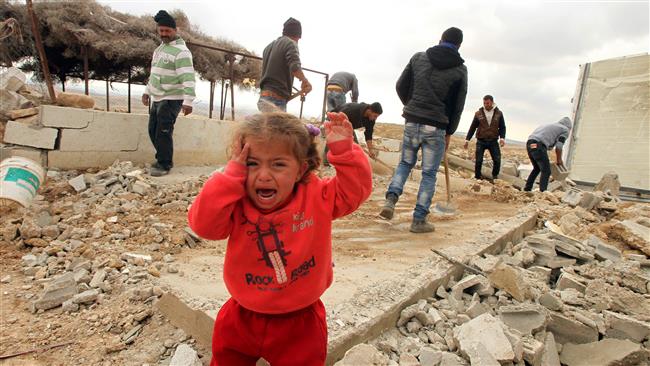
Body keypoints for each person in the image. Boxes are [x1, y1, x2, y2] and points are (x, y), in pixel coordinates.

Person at [188, 112, 372, 365]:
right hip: (240, 317)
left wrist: (344, 152)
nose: (263, 175)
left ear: (301, 169)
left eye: (278, 164)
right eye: (252, 163)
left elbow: (355, 191)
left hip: (301, 323)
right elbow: (204, 226)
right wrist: (230, 177)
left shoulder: (318, 196)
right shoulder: (236, 200)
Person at [379, 27, 468, 233]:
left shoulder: (418, 58)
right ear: (459, 46)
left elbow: (401, 85)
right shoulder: (460, 70)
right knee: (428, 174)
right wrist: (449, 132)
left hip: (412, 121)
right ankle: (419, 220)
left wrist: (412, 106)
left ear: (440, 39)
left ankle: (391, 200)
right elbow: (458, 105)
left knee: (404, 163)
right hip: (436, 126)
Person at [142, 10, 195, 177]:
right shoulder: (160, 49)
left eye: (167, 31)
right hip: (157, 98)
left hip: (172, 99)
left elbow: (188, 77)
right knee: (152, 130)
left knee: (163, 132)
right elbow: (155, 74)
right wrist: (147, 91)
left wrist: (188, 101)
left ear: (175, 30)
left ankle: (164, 164)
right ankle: (161, 158)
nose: (164, 34)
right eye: (161, 31)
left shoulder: (181, 52)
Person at [258, 18, 312, 112]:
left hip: (264, 97)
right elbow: (295, 67)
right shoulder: (290, 43)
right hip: (275, 100)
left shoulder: (268, 47)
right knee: (277, 127)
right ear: (298, 35)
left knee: (267, 126)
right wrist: (305, 81)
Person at [464, 95, 506, 182]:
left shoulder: (499, 113)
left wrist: (502, 138)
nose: (486, 105)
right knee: (478, 161)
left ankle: (494, 177)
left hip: (493, 141)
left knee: (497, 160)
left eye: (487, 103)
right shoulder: (478, 113)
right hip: (481, 140)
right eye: (484, 103)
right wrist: (467, 139)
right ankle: (477, 177)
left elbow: (502, 127)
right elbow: (473, 127)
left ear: (492, 102)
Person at [524, 117, 573, 192]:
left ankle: (527, 189)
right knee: (546, 171)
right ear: (569, 127)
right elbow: (559, 146)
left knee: (537, 168)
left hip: (530, 144)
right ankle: (543, 192)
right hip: (539, 145)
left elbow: (546, 142)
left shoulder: (552, 125)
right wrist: (559, 159)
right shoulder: (565, 130)